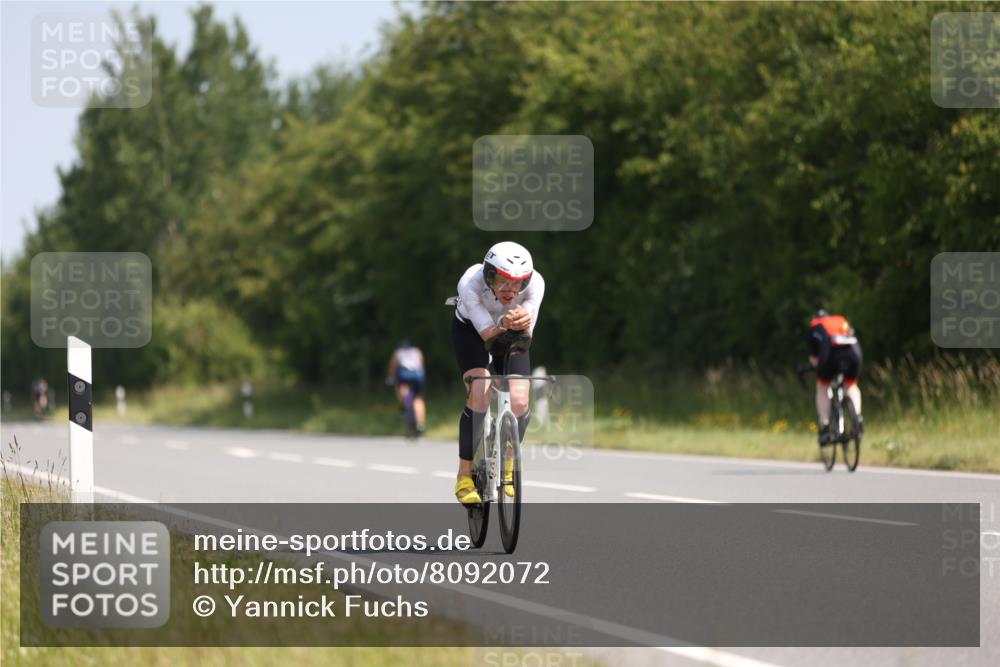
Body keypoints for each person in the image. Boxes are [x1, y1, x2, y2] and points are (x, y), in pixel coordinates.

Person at [450, 241, 544, 504]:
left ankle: (509, 460)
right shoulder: (470, 283)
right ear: (488, 275)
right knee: (480, 390)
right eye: (501, 280)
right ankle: (464, 475)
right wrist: (504, 321)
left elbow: (524, 339)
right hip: (472, 331)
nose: (510, 289)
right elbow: (489, 337)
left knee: (520, 400)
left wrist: (521, 325)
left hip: (511, 332)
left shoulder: (537, 284)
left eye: (518, 283)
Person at [807, 309, 863, 444]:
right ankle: (857, 418)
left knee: (822, 386)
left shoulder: (814, 325)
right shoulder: (841, 320)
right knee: (851, 385)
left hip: (830, 353)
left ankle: (825, 427)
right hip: (853, 352)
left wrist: (816, 368)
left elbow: (814, 359)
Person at [386, 340, 427, 435]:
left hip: (405, 376)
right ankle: (420, 423)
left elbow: (393, 367)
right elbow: (421, 365)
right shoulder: (417, 351)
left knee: (404, 390)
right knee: (418, 398)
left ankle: (406, 406)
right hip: (417, 376)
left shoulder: (398, 352)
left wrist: (390, 378)